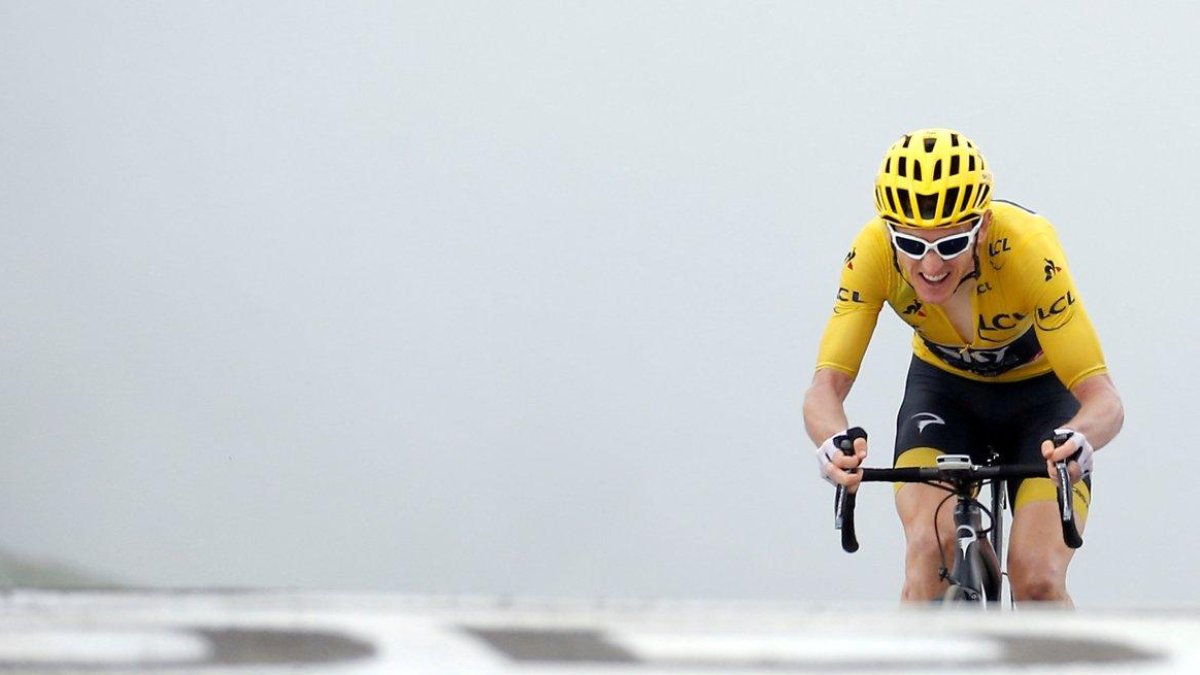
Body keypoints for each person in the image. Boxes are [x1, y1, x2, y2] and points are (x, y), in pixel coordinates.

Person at [804, 128, 1124, 605]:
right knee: (927, 553)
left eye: (951, 244)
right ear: (889, 234)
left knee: (1036, 578)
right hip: (944, 396)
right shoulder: (871, 252)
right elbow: (825, 386)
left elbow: (1104, 400)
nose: (931, 266)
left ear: (983, 226)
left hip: (1040, 401)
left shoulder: (1029, 249)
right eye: (911, 246)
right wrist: (833, 442)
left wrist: (1081, 438)